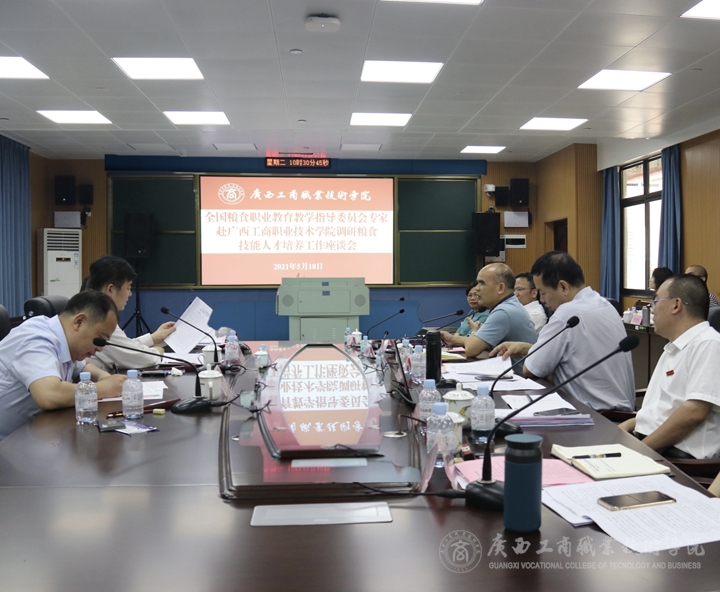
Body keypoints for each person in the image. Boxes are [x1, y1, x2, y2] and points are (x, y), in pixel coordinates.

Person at [490, 251, 635, 411]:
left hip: (593, 415)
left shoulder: (566, 313)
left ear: (563, 287)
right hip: (621, 414)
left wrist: (534, 355)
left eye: (543, 293)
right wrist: (528, 348)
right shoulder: (605, 305)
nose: (542, 300)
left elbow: (530, 370)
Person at [0, 290, 126, 440]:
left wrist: (105, 377)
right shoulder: (36, 338)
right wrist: (104, 388)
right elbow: (49, 395)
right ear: (79, 322)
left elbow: (83, 367)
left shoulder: (62, 338)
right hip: (7, 443)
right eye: (100, 339)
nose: (100, 349)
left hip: (29, 435)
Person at [619, 275, 720, 459]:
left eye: (656, 301)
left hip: (676, 458)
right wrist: (629, 425)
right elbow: (662, 408)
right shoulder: (675, 346)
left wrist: (640, 450)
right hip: (652, 446)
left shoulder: (708, 344)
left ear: (676, 305)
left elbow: (694, 412)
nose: (652, 309)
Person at [82, 255, 176, 372]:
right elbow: (139, 359)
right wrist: (158, 351)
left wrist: (153, 338)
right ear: (110, 289)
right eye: (128, 288)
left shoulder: (92, 308)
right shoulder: (99, 319)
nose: (130, 294)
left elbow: (123, 347)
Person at [441, 263, 536, 358]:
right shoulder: (509, 305)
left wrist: (474, 331)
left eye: (482, 283)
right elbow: (479, 342)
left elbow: (471, 349)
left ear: (500, 288)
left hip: (514, 368)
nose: (476, 288)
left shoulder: (503, 312)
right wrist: (453, 340)